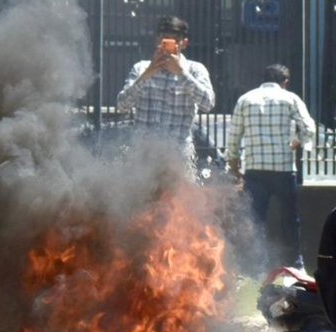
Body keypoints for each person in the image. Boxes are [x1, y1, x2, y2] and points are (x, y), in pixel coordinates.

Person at [226, 64, 316, 270]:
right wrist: (299, 141)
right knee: (290, 220)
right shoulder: (290, 98)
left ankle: (255, 266)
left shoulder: (245, 99)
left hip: (255, 171)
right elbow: (309, 127)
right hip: (283, 170)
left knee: (256, 221)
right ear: (285, 82)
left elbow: (234, 136)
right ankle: (295, 263)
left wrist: (233, 163)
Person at [115, 16, 215, 163]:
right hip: (142, 158)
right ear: (157, 41)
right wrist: (148, 73)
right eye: (164, 40)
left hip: (177, 160)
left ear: (184, 43)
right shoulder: (141, 68)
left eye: (174, 40)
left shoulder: (195, 70)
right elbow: (121, 105)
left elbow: (208, 104)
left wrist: (181, 73)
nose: (169, 45)